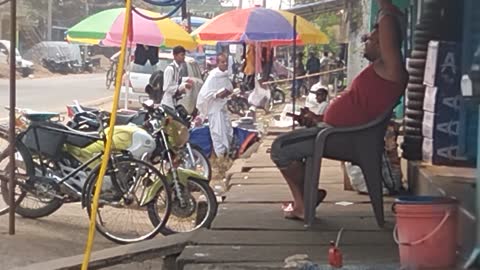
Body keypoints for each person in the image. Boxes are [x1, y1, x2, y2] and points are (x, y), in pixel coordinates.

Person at [270, 0, 408, 220]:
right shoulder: (379, 71)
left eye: (371, 38)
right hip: (340, 132)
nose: (365, 41)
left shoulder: (391, 70)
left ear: (384, 44)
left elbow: (390, 22)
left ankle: (304, 203)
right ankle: (307, 197)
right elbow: (358, 110)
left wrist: (384, 7)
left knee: (280, 148)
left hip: (347, 139)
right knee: (288, 143)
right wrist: (317, 119)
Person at [196, 53, 234, 158]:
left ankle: (227, 154)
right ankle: (221, 157)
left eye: (226, 62)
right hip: (214, 109)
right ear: (217, 63)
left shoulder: (225, 75)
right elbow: (205, 94)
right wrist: (216, 94)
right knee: (218, 134)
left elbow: (230, 88)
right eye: (222, 62)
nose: (225, 64)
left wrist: (227, 92)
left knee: (227, 132)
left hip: (223, 108)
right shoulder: (213, 76)